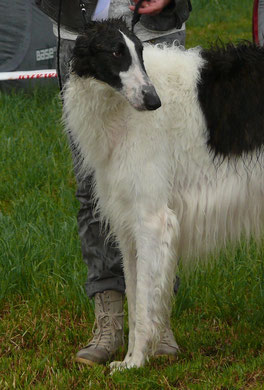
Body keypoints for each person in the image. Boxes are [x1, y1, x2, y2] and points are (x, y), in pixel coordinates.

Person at [35, 0, 191, 366]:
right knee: (93, 193)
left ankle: (155, 323)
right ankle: (109, 320)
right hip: (78, 29)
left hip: (155, 32)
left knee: (157, 195)